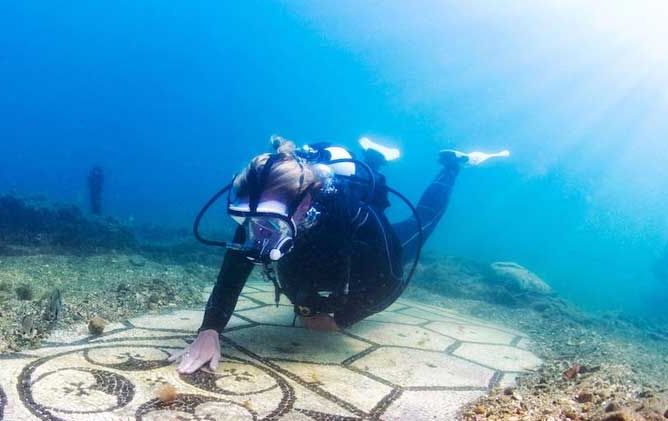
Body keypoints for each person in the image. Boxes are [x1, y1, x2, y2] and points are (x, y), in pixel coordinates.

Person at [171, 135, 508, 373]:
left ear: (305, 205)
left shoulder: (345, 214)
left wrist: (342, 319)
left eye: (268, 225)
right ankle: (374, 157)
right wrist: (210, 330)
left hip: (377, 245)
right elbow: (235, 266)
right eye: (246, 220)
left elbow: (389, 281)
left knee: (421, 225)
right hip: (313, 248)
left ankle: (452, 166)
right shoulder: (263, 209)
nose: (258, 234)